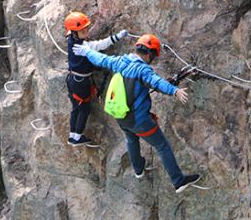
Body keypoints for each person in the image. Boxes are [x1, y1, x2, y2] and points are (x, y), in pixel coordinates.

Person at [72, 34, 201, 193]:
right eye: (153, 57)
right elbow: (157, 82)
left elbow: (101, 59)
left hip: (120, 116)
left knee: (131, 140)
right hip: (139, 120)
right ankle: (178, 181)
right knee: (163, 146)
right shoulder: (142, 69)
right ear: (149, 54)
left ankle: (138, 169)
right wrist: (175, 91)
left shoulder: (120, 61)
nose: (152, 60)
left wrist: (86, 51)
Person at [65, 12, 128, 147]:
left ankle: (72, 135)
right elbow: (100, 45)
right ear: (74, 33)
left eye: (87, 29)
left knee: (76, 107)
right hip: (81, 82)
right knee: (84, 109)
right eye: (83, 31)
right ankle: (77, 136)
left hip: (72, 79)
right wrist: (117, 37)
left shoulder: (71, 40)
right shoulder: (83, 47)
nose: (86, 33)